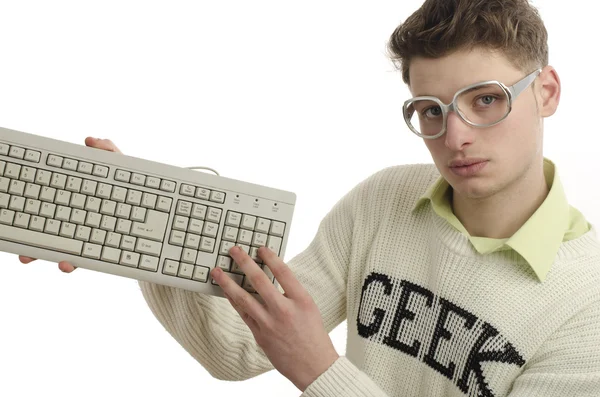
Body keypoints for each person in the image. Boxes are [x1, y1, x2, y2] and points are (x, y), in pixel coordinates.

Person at [18, 0, 600, 395]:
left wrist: (321, 371)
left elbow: (306, 358)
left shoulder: (589, 305)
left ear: (545, 92)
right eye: (430, 111)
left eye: (486, 99)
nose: (455, 136)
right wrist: (142, 226)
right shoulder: (387, 199)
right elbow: (241, 348)